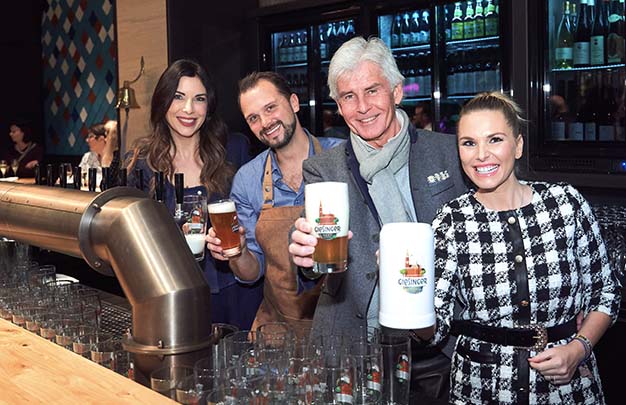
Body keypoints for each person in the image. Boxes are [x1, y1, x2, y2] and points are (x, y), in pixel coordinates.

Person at [289, 37, 467, 403]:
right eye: (348, 97)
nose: (362, 107)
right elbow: (317, 249)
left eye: (372, 90)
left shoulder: (449, 154)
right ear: (338, 106)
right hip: (356, 347)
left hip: (440, 347)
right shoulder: (323, 169)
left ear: (397, 92)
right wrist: (305, 255)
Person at [427, 92, 620, 404]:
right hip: (481, 390)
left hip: (567, 390)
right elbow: (434, 329)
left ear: (517, 146)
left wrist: (579, 348)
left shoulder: (565, 204)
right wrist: (406, 293)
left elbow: (606, 295)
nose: (481, 155)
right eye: (469, 143)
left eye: (495, 139)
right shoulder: (451, 220)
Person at [206, 71, 343, 335]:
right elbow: (251, 273)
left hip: (343, 326)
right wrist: (238, 252)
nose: (265, 122)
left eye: (270, 108)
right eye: (253, 118)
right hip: (279, 332)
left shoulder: (342, 158)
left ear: (293, 103)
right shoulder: (248, 179)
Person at [126, 59, 259, 330]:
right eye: (178, 97)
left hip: (233, 294)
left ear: (208, 106)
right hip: (169, 296)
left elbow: (256, 223)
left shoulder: (234, 151)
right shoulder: (140, 163)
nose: (188, 109)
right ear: (162, 101)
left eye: (199, 99)